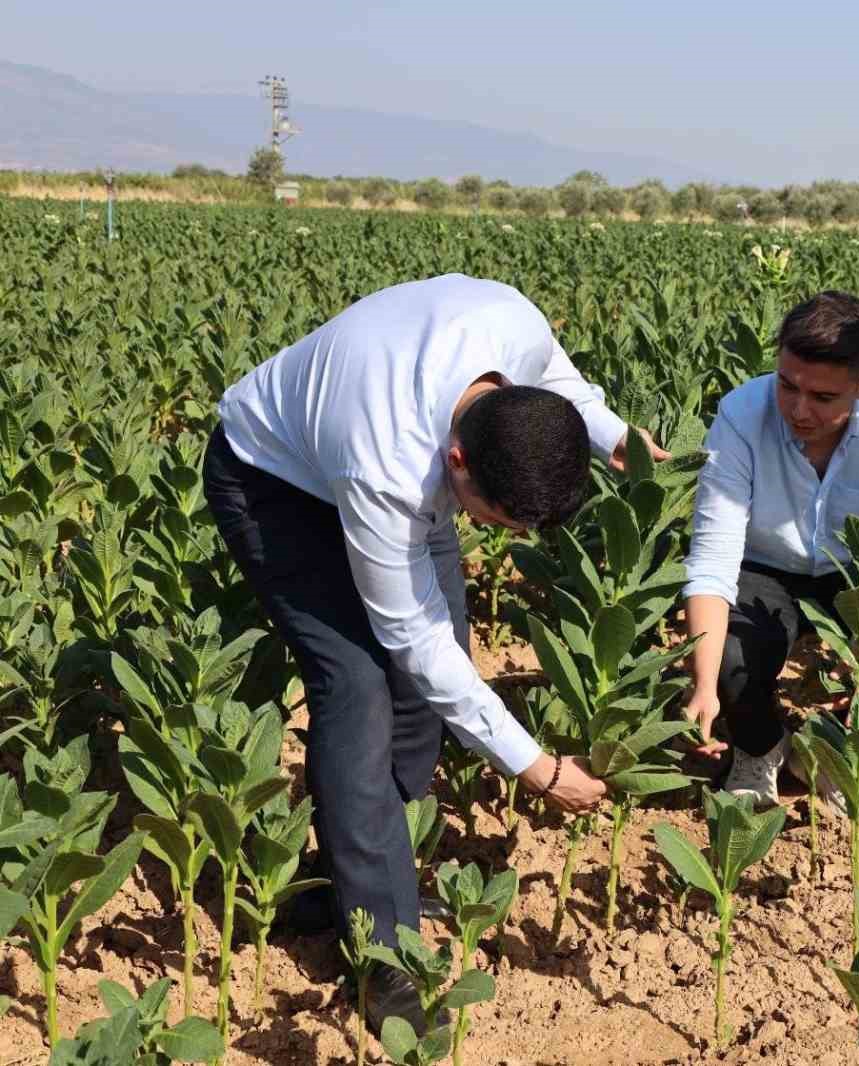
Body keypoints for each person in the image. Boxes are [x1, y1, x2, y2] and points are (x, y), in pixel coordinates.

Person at [201, 273, 665, 1034]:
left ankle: (360, 868)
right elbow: (417, 648)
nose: (506, 538)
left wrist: (617, 438)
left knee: (427, 689)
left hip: (367, 446)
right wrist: (535, 767)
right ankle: (382, 954)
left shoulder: (509, 320)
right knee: (357, 684)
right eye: (498, 519)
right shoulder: (388, 471)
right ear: (458, 463)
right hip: (273, 482)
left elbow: (556, 384)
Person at [681, 292, 859, 806]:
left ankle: (843, 751)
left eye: (822, 398)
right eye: (787, 385)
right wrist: (706, 685)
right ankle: (762, 746)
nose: (798, 409)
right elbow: (712, 559)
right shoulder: (741, 416)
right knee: (730, 655)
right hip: (765, 569)